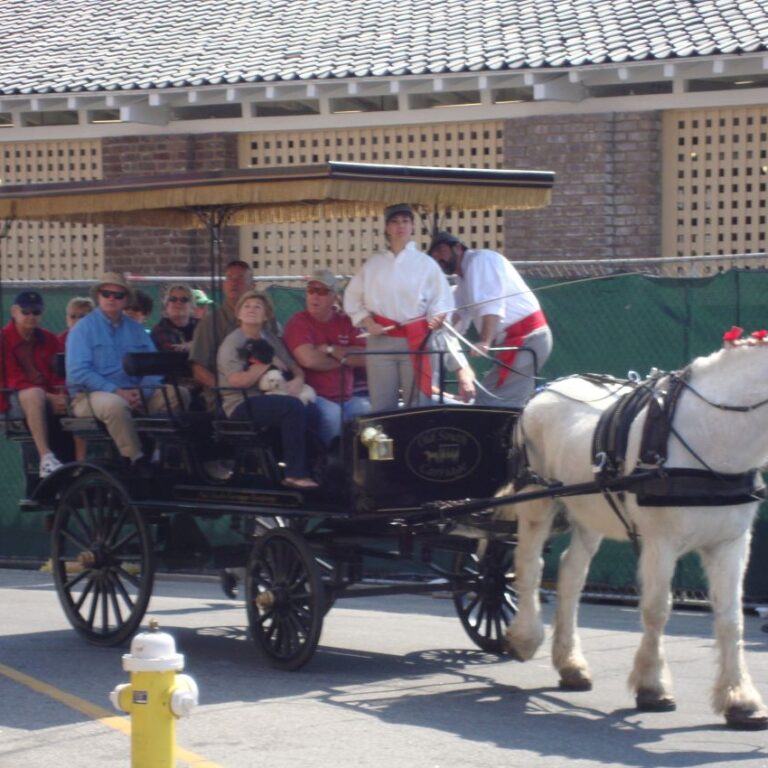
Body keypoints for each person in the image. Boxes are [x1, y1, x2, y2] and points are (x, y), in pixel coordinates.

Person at [343, 203, 467, 411]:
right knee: (382, 406)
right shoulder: (373, 264)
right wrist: (368, 322)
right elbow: (352, 297)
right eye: (395, 221)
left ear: (412, 227)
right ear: (386, 228)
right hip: (380, 339)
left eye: (406, 221)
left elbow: (442, 299)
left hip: (416, 340)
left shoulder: (426, 264)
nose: (400, 226)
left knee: (417, 404)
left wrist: (437, 318)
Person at [66, 272, 187, 470]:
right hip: (89, 396)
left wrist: (143, 391)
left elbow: (154, 365)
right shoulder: (82, 329)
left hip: (136, 392)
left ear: (125, 300)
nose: (111, 298)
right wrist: (116, 391)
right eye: (106, 293)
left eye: (118, 295)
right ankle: (135, 459)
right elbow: (78, 372)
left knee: (179, 394)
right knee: (115, 405)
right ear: (98, 296)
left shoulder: (136, 329)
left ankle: (160, 451)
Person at [428, 231, 552, 408]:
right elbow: (457, 314)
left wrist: (485, 341)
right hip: (517, 342)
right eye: (434, 255)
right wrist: (442, 323)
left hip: (528, 338)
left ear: (457, 247)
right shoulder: (462, 278)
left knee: (491, 402)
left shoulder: (481, 260)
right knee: (503, 400)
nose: (438, 257)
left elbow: (492, 302)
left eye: (441, 250)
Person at [217, 290, 318, 489]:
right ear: (238, 314)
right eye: (246, 306)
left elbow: (293, 366)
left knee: (311, 406)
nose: (251, 310)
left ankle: (315, 467)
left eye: (257, 307)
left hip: (273, 395)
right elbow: (237, 381)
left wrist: (298, 380)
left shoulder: (270, 338)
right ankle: (294, 475)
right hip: (241, 402)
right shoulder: (233, 342)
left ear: (267, 315)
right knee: (292, 407)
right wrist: (266, 363)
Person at [283, 269, 369, 445]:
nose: (315, 296)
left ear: (334, 296)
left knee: (371, 414)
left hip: (349, 396)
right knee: (332, 417)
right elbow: (309, 359)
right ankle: (328, 465)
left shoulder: (345, 322)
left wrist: (330, 350)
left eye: (322, 292)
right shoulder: (298, 322)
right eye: (311, 290)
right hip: (315, 396)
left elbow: (367, 357)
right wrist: (345, 358)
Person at [0, 291, 70, 477]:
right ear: (14, 311)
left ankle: (78, 464)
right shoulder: (3, 339)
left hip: (45, 396)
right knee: (34, 394)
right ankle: (46, 458)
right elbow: (13, 379)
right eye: (26, 311)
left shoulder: (48, 339)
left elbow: (59, 373)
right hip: (8, 399)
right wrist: (49, 396)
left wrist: (61, 395)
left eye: (36, 312)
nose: (32, 316)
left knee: (79, 400)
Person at [189, 260, 253, 407]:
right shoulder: (210, 323)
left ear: (252, 285)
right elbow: (198, 369)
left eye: (240, 278)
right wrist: (224, 388)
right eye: (229, 278)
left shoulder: (264, 320)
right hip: (226, 399)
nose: (233, 283)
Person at [57, 296, 94, 461]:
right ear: (67, 318)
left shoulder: (97, 341)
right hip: (67, 394)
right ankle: (80, 463)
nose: (77, 320)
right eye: (73, 316)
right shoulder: (59, 341)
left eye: (82, 316)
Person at [151, 283, 198, 353]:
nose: (178, 302)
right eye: (173, 299)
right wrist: (197, 345)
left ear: (192, 307)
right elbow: (172, 351)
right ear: (166, 306)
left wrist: (191, 346)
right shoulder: (159, 330)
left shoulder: (202, 327)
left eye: (184, 299)